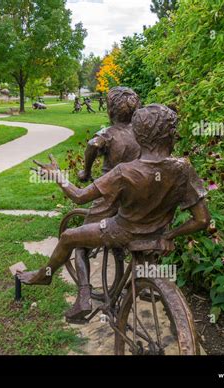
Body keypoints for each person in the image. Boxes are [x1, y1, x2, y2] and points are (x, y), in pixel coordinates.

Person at [17, 105, 211, 322]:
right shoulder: (183, 168)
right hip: (157, 236)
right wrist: (169, 235)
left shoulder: (123, 172)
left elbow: (80, 196)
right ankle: (144, 282)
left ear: (138, 135)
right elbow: (202, 219)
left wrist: (58, 176)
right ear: (172, 134)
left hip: (121, 231)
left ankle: (46, 276)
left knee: (69, 237)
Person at [65, 86, 141, 321]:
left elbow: (92, 145)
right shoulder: (141, 132)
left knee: (79, 244)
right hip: (135, 196)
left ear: (110, 110)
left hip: (109, 195)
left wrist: (85, 171)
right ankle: (141, 283)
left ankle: (84, 296)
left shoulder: (107, 133)